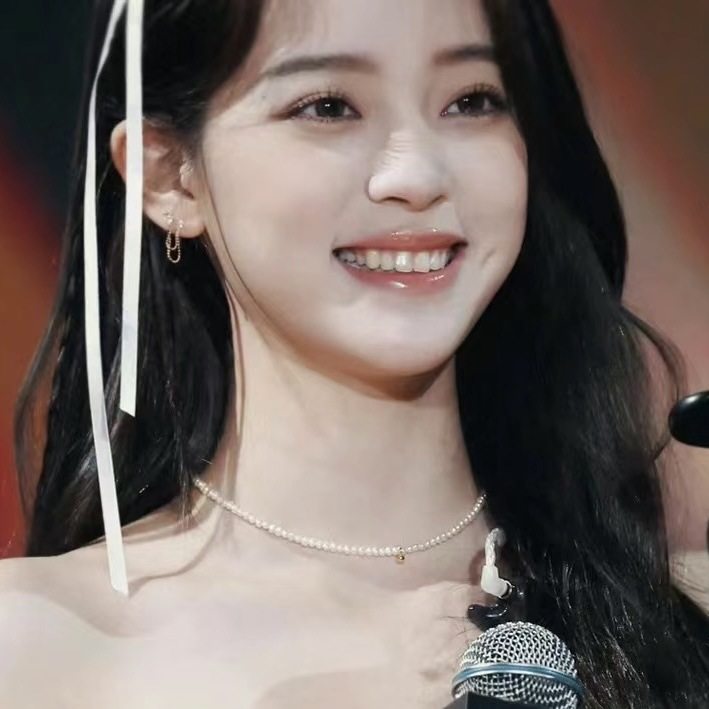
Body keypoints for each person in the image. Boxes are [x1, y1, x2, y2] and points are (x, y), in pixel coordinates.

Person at [1, 0, 708, 706]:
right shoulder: (36, 647)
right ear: (170, 176)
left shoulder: (673, 621)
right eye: (329, 107)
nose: (415, 174)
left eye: (471, 101)